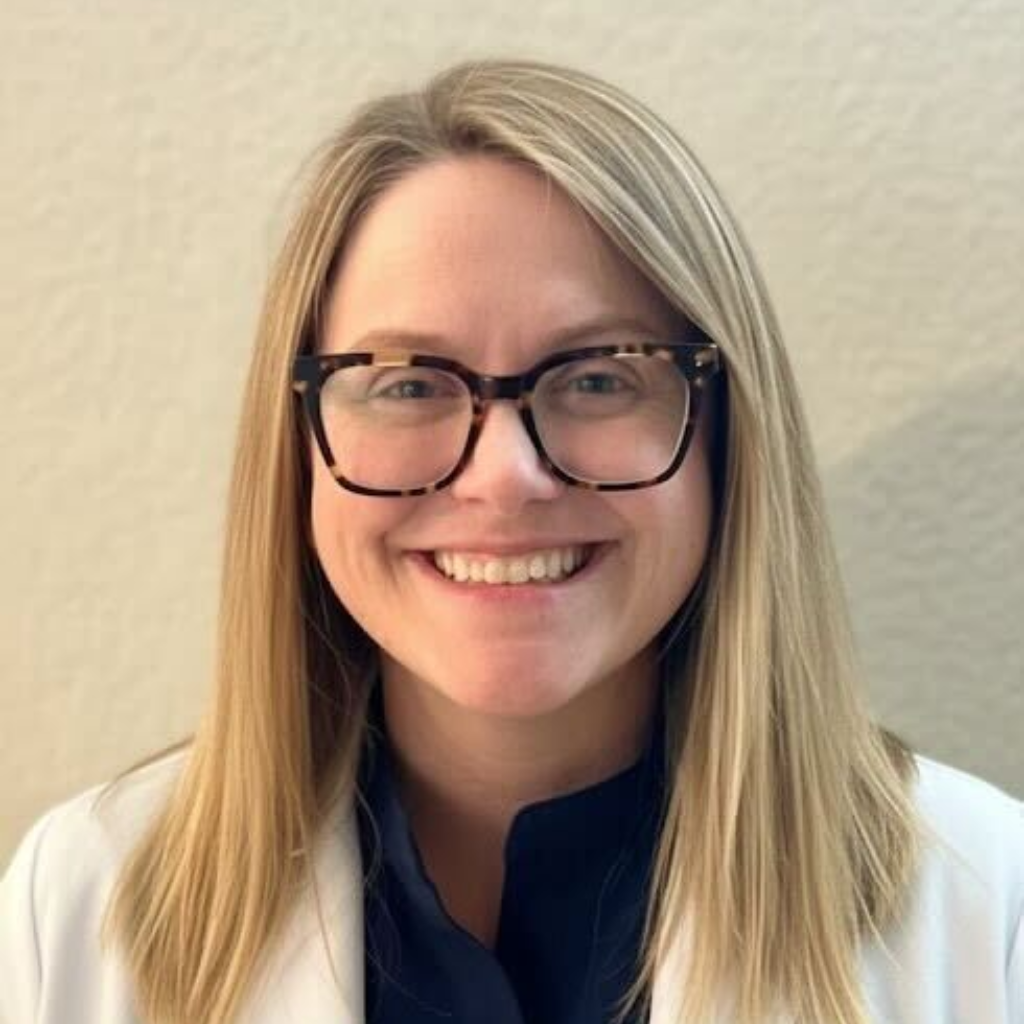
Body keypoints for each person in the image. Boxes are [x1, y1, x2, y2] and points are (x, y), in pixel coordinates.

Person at [1, 58, 1021, 1024]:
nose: (504, 475)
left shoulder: (985, 905)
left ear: (728, 438)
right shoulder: (79, 904)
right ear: (296, 448)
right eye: (408, 383)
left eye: (599, 376)